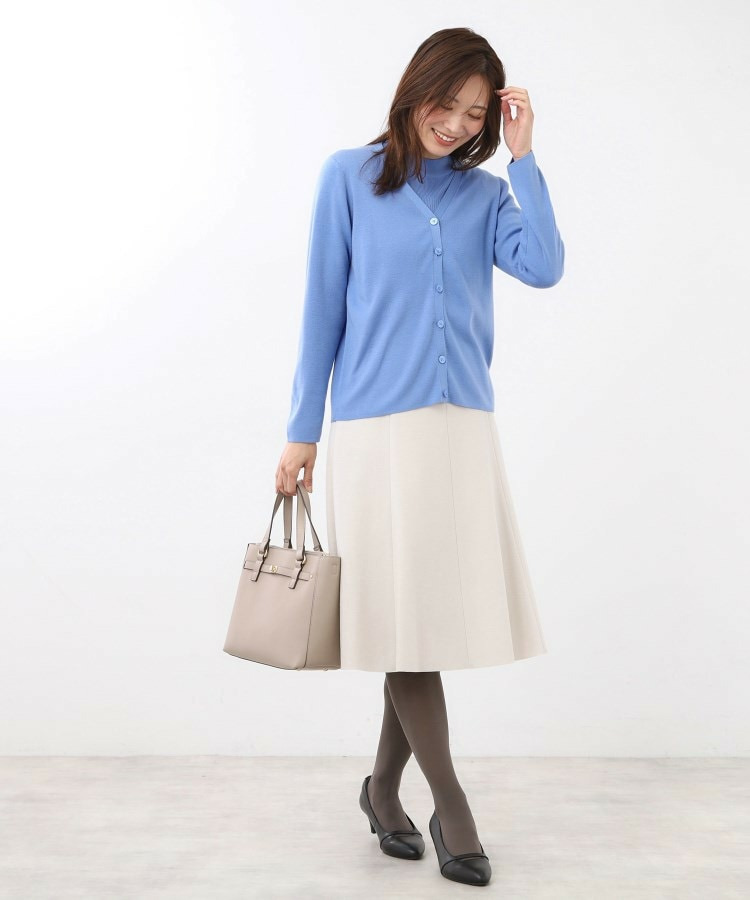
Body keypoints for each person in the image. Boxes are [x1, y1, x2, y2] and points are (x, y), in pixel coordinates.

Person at [275, 27, 565, 887]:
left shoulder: (485, 195)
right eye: (449, 103)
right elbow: (321, 309)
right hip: (374, 432)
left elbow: (545, 267)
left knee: (420, 621)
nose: (458, 123)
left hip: (459, 429)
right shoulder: (348, 177)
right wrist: (302, 430)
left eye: (477, 113)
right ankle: (452, 806)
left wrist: (523, 158)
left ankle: (380, 789)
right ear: (416, 90)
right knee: (406, 624)